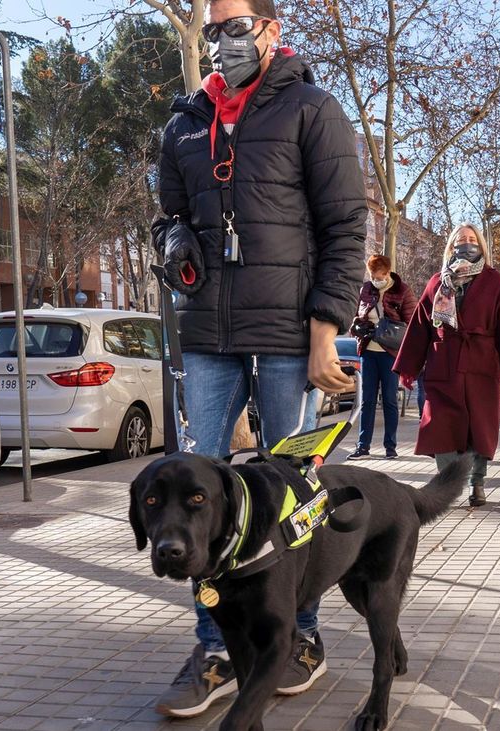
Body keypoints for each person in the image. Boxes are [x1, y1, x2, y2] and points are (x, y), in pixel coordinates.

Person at [150, 0, 367, 716]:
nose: (221, 41)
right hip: (208, 332)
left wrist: (323, 329)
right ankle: (214, 646)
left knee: (293, 489)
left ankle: (297, 634)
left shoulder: (312, 108)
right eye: (213, 30)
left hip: (286, 332)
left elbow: (344, 227)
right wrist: (173, 244)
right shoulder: (184, 122)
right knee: (195, 487)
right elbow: (167, 218)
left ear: (272, 30)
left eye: (235, 26)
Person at [394, 224, 500, 507]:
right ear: (451, 247)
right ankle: (446, 485)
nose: (466, 244)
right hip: (442, 363)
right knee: (440, 425)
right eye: (461, 241)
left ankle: (477, 483)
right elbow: (420, 325)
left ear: (481, 246)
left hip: (481, 364)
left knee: (479, 427)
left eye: (472, 240)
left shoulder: (494, 281)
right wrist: (409, 366)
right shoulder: (437, 281)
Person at [348, 254, 417, 459]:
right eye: (372, 275)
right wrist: (358, 327)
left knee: (389, 400)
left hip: (390, 354)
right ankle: (363, 447)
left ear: (387, 273)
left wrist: (389, 329)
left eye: (379, 276)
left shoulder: (402, 290)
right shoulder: (366, 289)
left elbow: (412, 322)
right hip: (368, 351)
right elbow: (356, 315)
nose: (375, 280)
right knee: (367, 400)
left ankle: (390, 447)